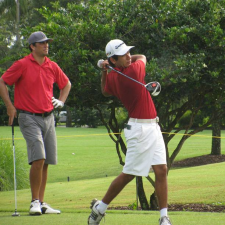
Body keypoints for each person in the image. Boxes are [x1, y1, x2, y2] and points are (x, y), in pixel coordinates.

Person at [88, 39, 172, 225]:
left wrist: (105, 69)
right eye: (124, 55)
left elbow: (104, 91)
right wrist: (110, 65)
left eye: (128, 52)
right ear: (114, 60)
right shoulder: (134, 70)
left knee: (161, 169)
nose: (128, 56)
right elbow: (142, 57)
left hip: (152, 126)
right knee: (129, 174)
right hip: (140, 129)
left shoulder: (114, 76)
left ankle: (163, 217)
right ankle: (100, 208)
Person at [0, 31, 71, 215]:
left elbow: (66, 84)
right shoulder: (22, 64)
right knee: (38, 157)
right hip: (28, 117)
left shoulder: (52, 65)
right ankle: (34, 202)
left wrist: (61, 101)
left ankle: (41, 202)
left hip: (48, 117)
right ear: (32, 46)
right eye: (42, 43)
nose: (46, 45)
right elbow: (2, 81)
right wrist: (9, 106)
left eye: (47, 42)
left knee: (46, 161)